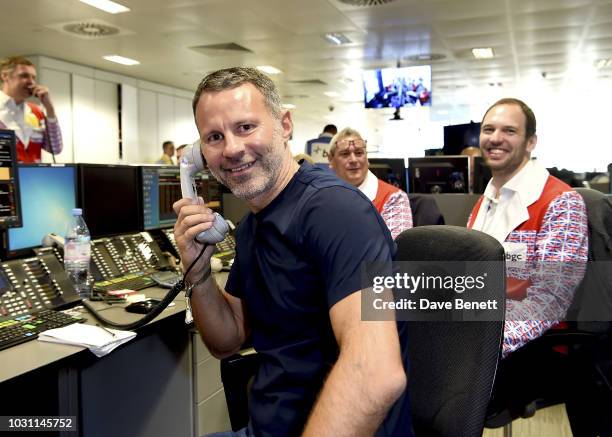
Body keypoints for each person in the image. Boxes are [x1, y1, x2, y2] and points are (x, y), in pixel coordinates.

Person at [173, 67, 411, 436]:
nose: (232, 148)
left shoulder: (335, 212)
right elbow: (227, 340)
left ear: (285, 125)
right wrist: (198, 271)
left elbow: (377, 373)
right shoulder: (254, 226)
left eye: (246, 127)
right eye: (215, 137)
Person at [467, 97, 588, 357]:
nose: (495, 138)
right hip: (478, 325)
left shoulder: (561, 202)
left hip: (532, 347)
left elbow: (551, 299)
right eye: (489, 130)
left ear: (531, 142)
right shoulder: (483, 202)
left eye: (509, 131)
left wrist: (486, 342)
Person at [328, 127, 412, 240]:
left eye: (359, 153)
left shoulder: (394, 197)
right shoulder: (321, 198)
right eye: (345, 154)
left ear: (367, 158)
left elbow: (392, 251)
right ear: (331, 160)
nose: (353, 160)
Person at [0, 56, 62, 163]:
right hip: (5, 177)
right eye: (24, 76)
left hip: (31, 177)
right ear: (5, 76)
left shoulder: (36, 111)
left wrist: (49, 109)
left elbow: (55, 149)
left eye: (34, 78)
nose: (31, 82)